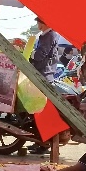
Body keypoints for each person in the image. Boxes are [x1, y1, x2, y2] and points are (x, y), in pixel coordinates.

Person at [28, 16, 61, 155]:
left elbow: (40, 56)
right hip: (43, 75)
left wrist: (28, 52)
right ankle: (40, 142)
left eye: (39, 22)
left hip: (43, 76)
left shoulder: (49, 36)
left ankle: (43, 143)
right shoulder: (46, 35)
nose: (38, 25)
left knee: (40, 112)